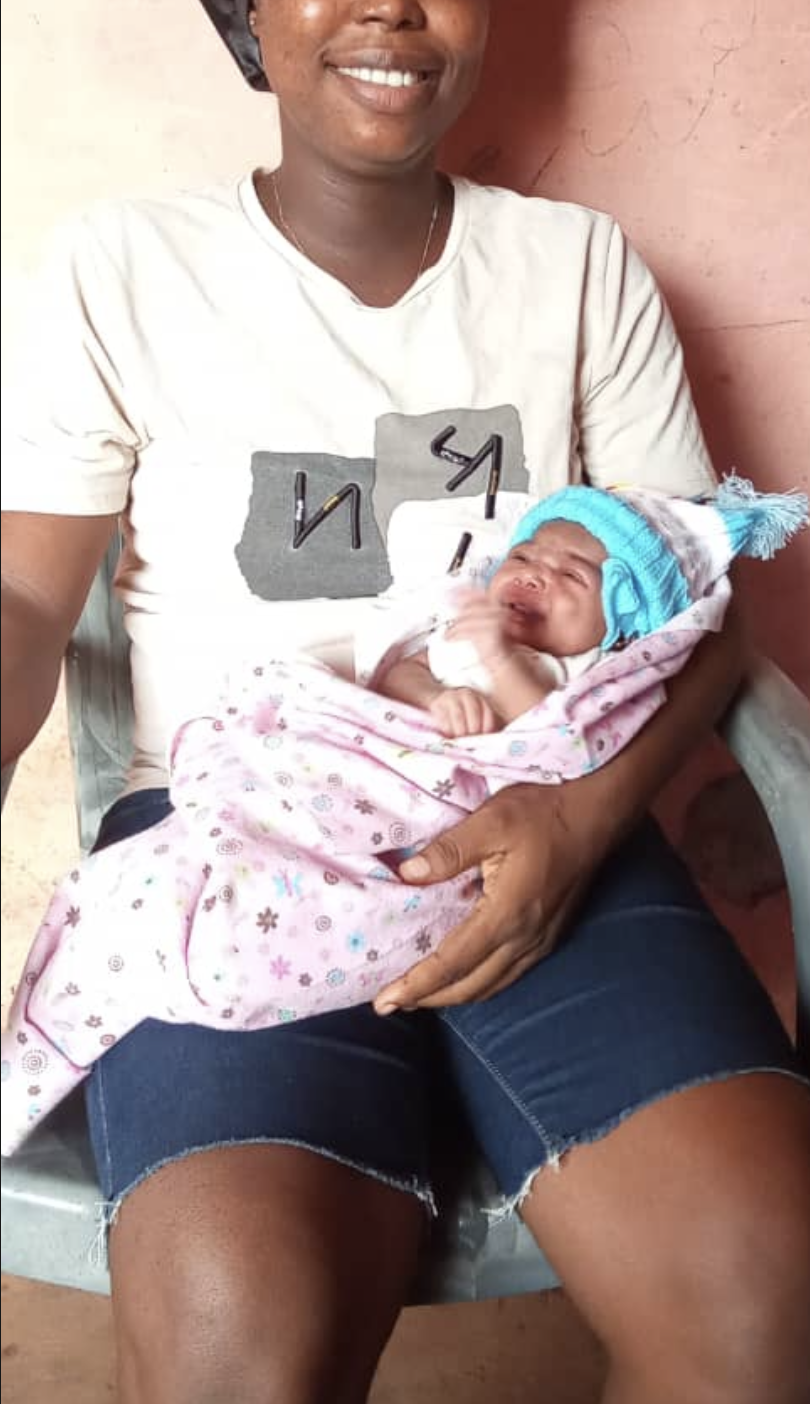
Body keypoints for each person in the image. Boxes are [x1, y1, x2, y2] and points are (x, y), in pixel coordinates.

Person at [2, 0, 809, 1404]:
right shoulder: (125, 269)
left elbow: (702, 609)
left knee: (762, 1308)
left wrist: (576, 829)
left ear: (488, 0)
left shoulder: (577, 272)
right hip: (241, 845)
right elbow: (25, 597)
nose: (388, 2)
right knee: (238, 1387)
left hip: (537, 814)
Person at [7, 474, 804, 1157]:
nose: (536, 573)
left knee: (239, 928)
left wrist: (500, 665)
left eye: (574, 573)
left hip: (484, 824)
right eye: (527, 554)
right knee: (150, 886)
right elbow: (398, 671)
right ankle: (57, 1022)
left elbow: (556, 740)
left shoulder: (586, 678)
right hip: (346, 763)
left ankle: (193, 942)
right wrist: (435, 689)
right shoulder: (462, 619)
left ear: (627, 615)